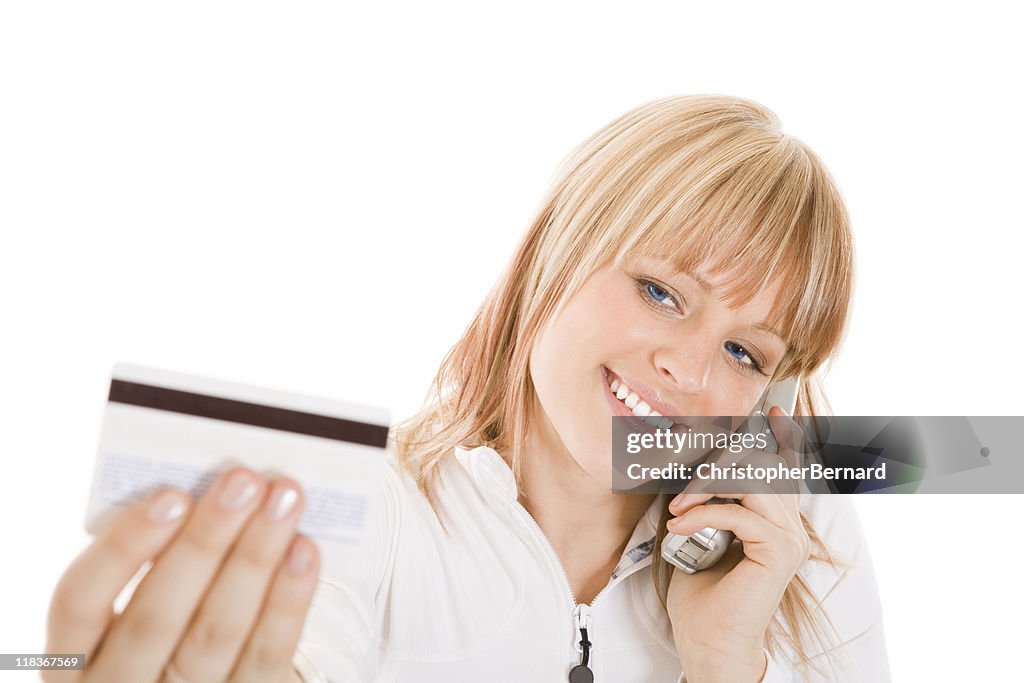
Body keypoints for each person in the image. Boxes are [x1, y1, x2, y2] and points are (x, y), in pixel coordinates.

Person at [45, 94, 891, 682]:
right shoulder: (374, 509)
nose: (690, 371)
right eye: (660, 292)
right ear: (557, 254)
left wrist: (723, 664)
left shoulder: (797, 537)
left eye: (745, 352)